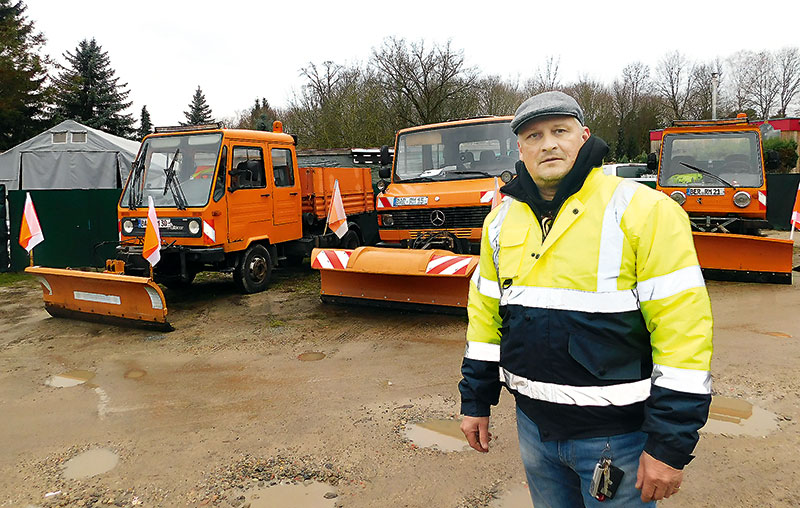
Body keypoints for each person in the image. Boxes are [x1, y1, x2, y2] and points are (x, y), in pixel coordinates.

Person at [458, 91, 713, 507]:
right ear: (520, 148)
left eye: (560, 131)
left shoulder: (643, 210)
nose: (549, 144)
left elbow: (684, 335)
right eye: (534, 136)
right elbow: (485, 318)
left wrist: (669, 445)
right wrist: (475, 400)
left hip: (618, 439)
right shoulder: (501, 220)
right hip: (534, 429)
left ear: (583, 136)